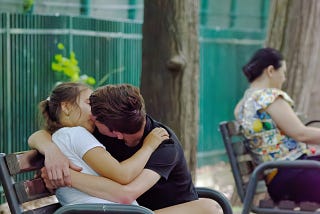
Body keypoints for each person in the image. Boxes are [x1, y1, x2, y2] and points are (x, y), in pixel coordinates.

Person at [29, 83, 216, 213]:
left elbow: (126, 192)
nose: (93, 115)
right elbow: (48, 134)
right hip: (128, 209)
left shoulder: (164, 144)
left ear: (116, 133)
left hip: (151, 209)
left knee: (210, 207)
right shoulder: (94, 129)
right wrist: (51, 150)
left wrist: (67, 177)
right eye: (89, 104)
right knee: (210, 208)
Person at [35, 82, 169, 206]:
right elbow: (122, 174)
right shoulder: (76, 134)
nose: (94, 113)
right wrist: (149, 146)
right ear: (66, 107)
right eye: (89, 104)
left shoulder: (59, 137)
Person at [234, 47, 320, 203]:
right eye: (283, 72)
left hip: (279, 178)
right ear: (271, 70)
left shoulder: (242, 106)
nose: (284, 78)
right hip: (295, 176)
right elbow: (301, 134)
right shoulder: (269, 97)